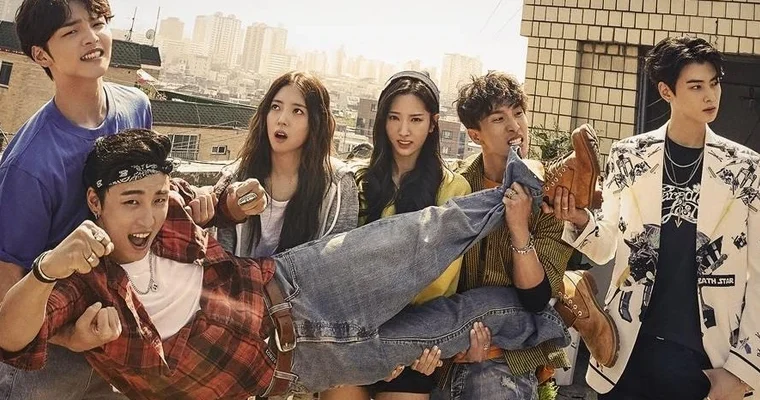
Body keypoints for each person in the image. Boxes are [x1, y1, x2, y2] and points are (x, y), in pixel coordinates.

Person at [0, 128, 571, 399]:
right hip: (294, 366)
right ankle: (557, 319)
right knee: (452, 325)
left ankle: (532, 186)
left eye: (156, 198)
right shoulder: (84, 281)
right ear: (95, 203)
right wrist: (47, 270)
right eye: (130, 203)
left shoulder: (169, 204)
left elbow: (208, 204)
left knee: (421, 235)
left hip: (297, 282)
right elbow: (10, 338)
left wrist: (229, 203)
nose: (148, 215)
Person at [0, 0, 201, 398]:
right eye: (71, 31)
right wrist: (68, 337)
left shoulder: (135, 106)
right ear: (41, 55)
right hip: (49, 359)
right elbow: (7, 289)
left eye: (97, 23)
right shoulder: (31, 164)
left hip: (123, 336)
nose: (91, 38)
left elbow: (145, 192)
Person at [551, 36, 757, 399]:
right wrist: (580, 219)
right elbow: (605, 246)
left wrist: (743, 370)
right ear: (666, 91)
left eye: (714, 84)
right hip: (626, 351)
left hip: (707, 359)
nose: (710, 95)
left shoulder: (745, 167)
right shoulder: (630, 155)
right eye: (696, 86)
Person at [433, 72, 617, 400]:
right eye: (498, 119)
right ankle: (570, 291)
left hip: (511, 353)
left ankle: (568, 291)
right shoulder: (455, 188)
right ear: (475, 135)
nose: (515, 127)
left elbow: (534, 299)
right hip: (451, 346)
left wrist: (519, 228)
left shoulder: (549, 195)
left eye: (518, 113)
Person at [322, 71, 471, 400]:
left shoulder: (452, 189)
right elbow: (340, 266)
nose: (404, 131)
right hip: (355, 337)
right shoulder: (358, 181)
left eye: (415, 120)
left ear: (432, 124)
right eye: (394, 118)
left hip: (414, 342)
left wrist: (396, 348)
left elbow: (439, 281)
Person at [216, 71, 358, 260]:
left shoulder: (337, 185)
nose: (282, 119)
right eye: (275, 107)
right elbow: (220, 258)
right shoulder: (236, 178)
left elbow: (334, 262)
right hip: (241, 279)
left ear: (316, 122)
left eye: (297, 111)